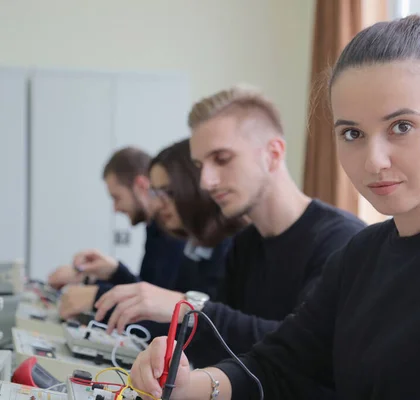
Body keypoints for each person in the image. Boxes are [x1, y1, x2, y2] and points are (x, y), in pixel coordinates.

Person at [130, 15, 420, 400]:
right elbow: (278, 364)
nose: (374, 160)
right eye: (352, 133)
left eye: (401, 126)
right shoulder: (360, 257)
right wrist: (188, 385)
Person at [95, 84, 366, 379]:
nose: (206, 182)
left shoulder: (341, 241)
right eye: (200, 165)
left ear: (273, 154)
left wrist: (188, 309)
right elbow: (225, 348)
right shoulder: (246, 244)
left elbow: (306, 348)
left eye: (222, 160)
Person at [91, 138, 246, 332]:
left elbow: (179, 318)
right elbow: (157, 304)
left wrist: (97, 297)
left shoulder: (230, 243)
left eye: (165, 192)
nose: (156, 204)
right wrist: (114, 273)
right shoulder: (189, 240)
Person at [49, 147, 186, 319]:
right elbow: (146, 290)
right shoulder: (155, 230)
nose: (115, 208)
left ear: (141, 185)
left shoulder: (176, 233)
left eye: (117, 197)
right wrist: (112, 272)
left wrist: (95, 295)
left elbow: (163, 313)